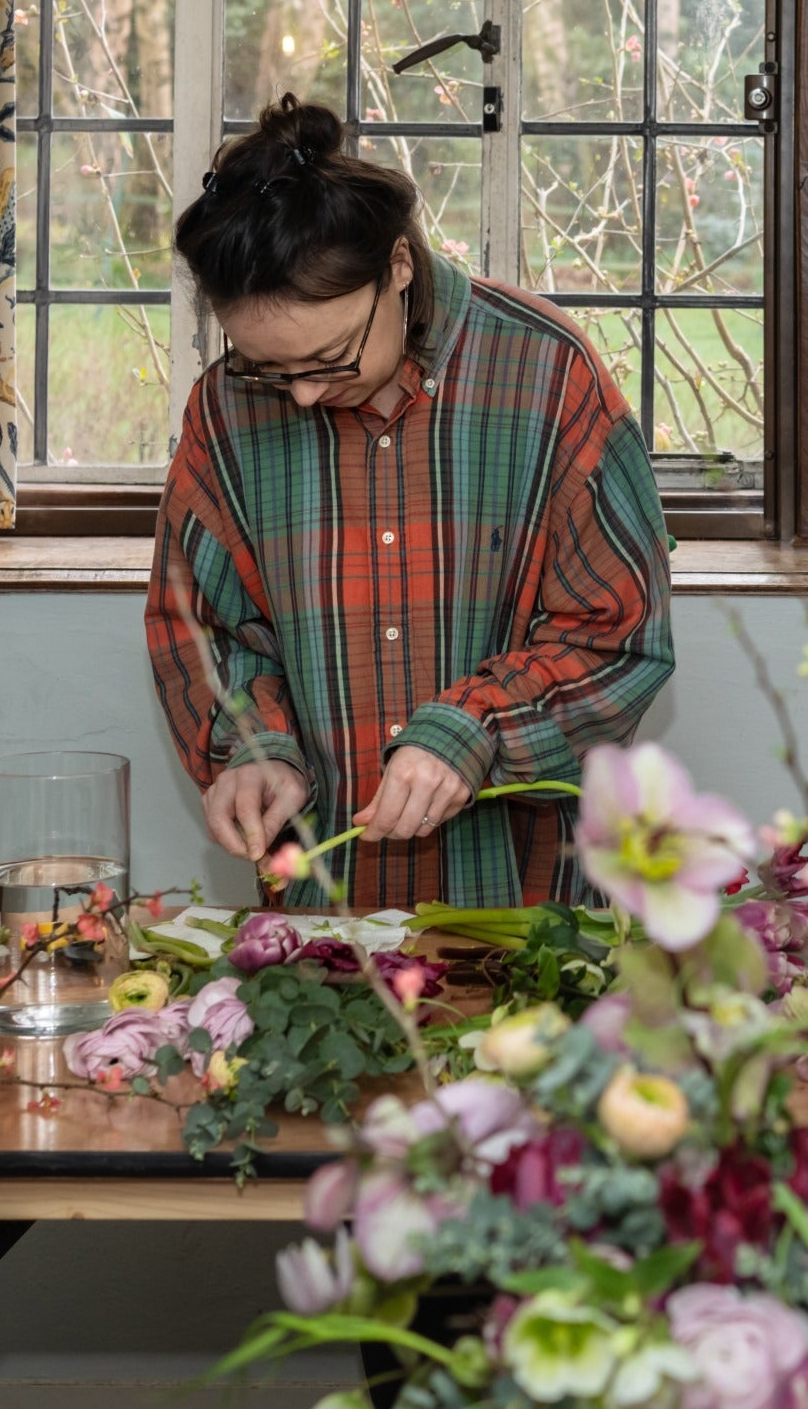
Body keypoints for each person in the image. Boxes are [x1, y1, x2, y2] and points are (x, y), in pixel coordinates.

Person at [147, 97, 674, 909]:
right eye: (269, 370)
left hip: (529, 916)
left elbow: (620, 640)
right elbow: (207, 627)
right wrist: (257, 750)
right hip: (325, 928)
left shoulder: (549, 375)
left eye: (328, 358)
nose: (301, 398)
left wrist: (474, 729)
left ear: (398, 266)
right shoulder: (223, 413)